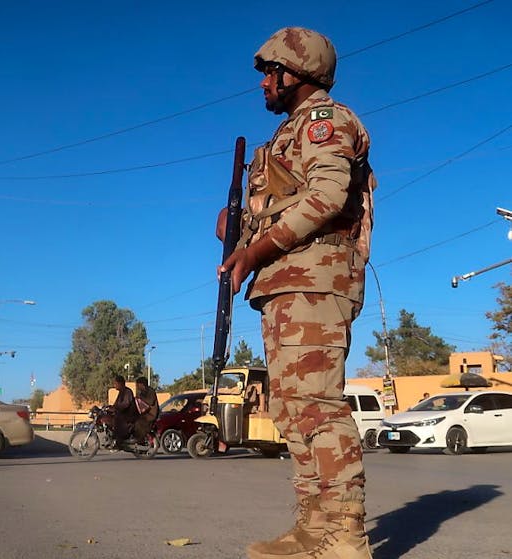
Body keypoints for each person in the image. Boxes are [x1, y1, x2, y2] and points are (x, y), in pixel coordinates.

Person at [218, 27, 375, 559]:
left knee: (318, 406)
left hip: (316, 281)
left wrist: (254, 252)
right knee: (289, 410)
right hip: (283, 285)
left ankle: (347, 535)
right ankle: (315, 526)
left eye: (271, 72)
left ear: (299, 72)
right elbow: (279, 208)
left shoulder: (325, 121)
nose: (264, 83)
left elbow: (328, 196)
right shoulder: (283, 137)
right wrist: (237, 230)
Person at [110, 375, 138, 447]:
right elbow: (116, 404)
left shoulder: (127, 391)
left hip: (129, 415)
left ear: (120, 383)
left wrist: (116, 408)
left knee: (117, 421)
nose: (114, 385)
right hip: (123, 414)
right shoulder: (121, 392)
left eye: (115, 383)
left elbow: (126, 404)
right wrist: (110, 407)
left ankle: (120, 441)